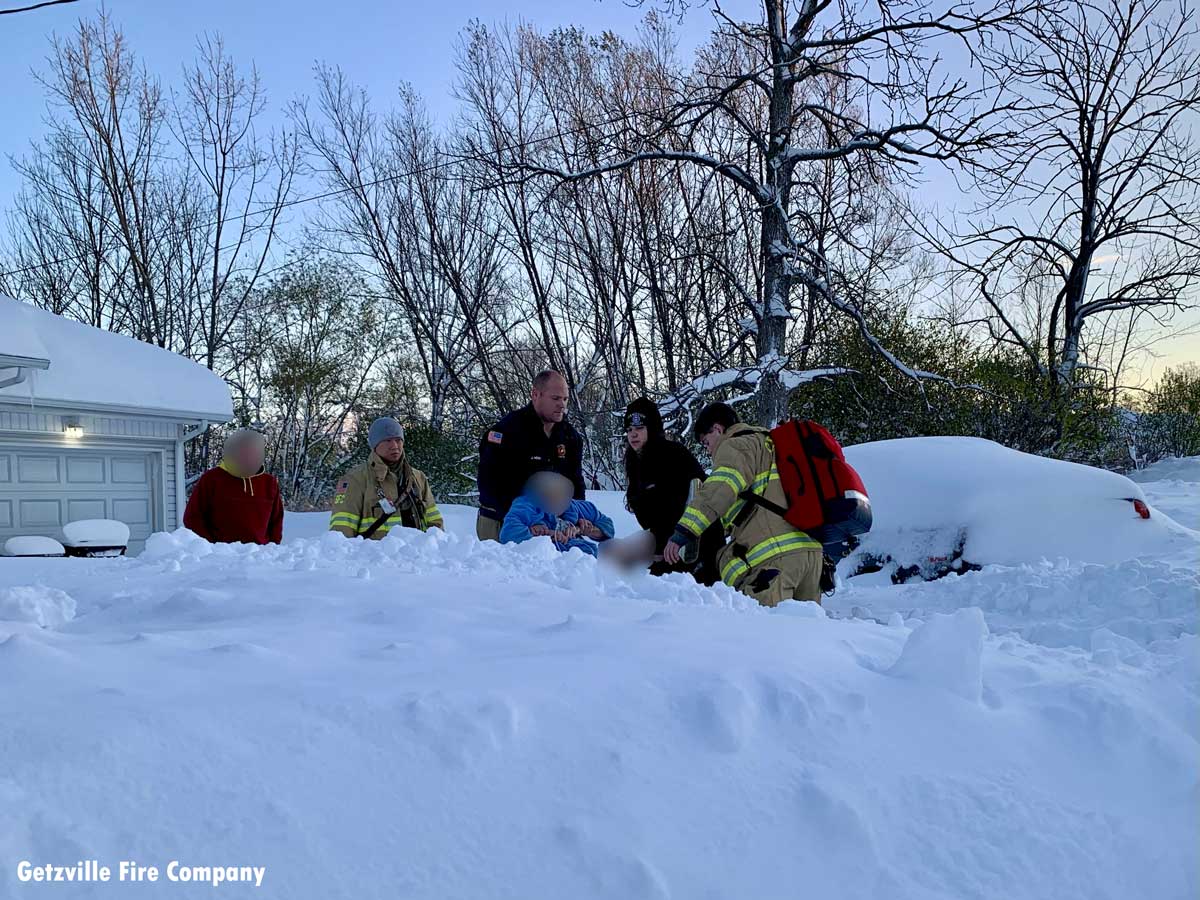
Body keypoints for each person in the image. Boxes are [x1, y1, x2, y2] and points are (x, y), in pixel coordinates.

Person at [662, 402, 823, 606]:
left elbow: (719, 490)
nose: (709, 451)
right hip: (812, 557)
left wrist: (683, 532)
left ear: (718, 429)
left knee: (767, 633)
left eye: (706, 442)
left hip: (776, 560)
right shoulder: (773, 443)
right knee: (807, 632)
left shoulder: (736, 445)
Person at [614, 397, 722, 583]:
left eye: (639, 428)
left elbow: (694, 503)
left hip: (696, 544)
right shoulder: (635, 464)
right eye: (629, 430)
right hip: (664, 542)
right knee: (615, 559)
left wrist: (663, 549)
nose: (633, 435)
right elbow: (650, 519)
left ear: (652, 428)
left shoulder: (674, 455)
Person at [476, 370, 585, 541]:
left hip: (553, 527)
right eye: (555, 398)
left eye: (565, 399)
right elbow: (490, 485)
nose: (562, 405)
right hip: (502, 522)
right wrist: (527, 520)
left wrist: (577, 518)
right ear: (535, 394)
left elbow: (575, 482)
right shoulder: (507, 431)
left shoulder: (570, 437)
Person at [329, 417, 444, 539]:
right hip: (375, 557)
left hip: (417, 556)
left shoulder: (418, 477)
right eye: (388, 440)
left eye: (398, 440)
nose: (394, 446)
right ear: (375, 445)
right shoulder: (355, 479)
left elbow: (435, 524)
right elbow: (341, 532)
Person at [183, 428, 284, 545]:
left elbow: (276, 521)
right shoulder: (212, 479)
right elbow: (192, 518)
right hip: (222, 556)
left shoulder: (269, 482)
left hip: (259, 556)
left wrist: (271, 548)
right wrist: (212, 546)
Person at [500, 471, 614, 557]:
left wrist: (584, 529)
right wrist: (548, 535)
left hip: (584, 563)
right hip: (545, 567)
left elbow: (608, 526)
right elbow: (508, 533)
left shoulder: (576, 506)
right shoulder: (526, 504)